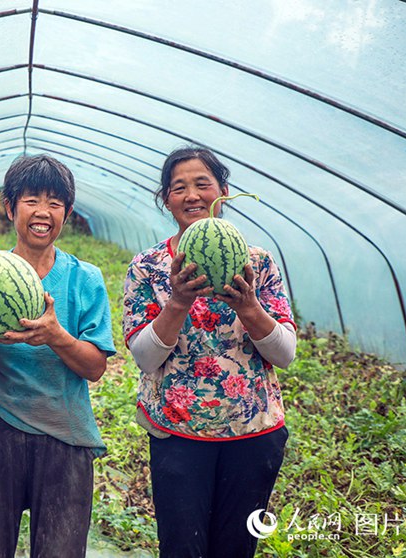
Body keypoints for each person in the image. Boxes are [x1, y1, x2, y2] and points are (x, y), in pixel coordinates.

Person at [123, 145, 296, 557]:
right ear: (166, 198)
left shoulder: (259, 263)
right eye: (179, 187)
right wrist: (178, 302)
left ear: (223, 191)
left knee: (236, 549)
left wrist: (248, 306)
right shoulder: (147, 267)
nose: (192, 195)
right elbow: (145, 358)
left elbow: (285, 353)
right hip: (178, 436)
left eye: (203, 184)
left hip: (253, 434)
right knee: (182, 548)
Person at [0, 154, 116, 557]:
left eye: (55, 203)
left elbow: (95, 368)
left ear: (67, 213)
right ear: (10, 207)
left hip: (65, 433)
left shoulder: (85, 278)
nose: (43, 212)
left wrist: (57, 337)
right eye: (31, 200)